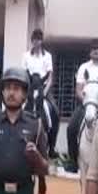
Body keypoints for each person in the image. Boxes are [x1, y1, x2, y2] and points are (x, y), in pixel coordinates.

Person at [66, 39, 98, 172]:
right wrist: (86, 101)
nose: (96, 51)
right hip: (86, 103)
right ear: (90, 51)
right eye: (94, 48)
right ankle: (73, 161)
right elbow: (78, 89)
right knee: (71, 127)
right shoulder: (84, 67)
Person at [22, 29, 60, 158]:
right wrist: (27, 90)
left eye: (38, 39)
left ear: (41, 41)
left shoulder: (47, 56)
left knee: (55, 111)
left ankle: (52, 147)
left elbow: (50, 77)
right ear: (31, 41)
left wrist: (44, 91)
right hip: (29, 88)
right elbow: (24, 74)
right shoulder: (26, 56)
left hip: (44, 88)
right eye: (34, 40)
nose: (36, 42)